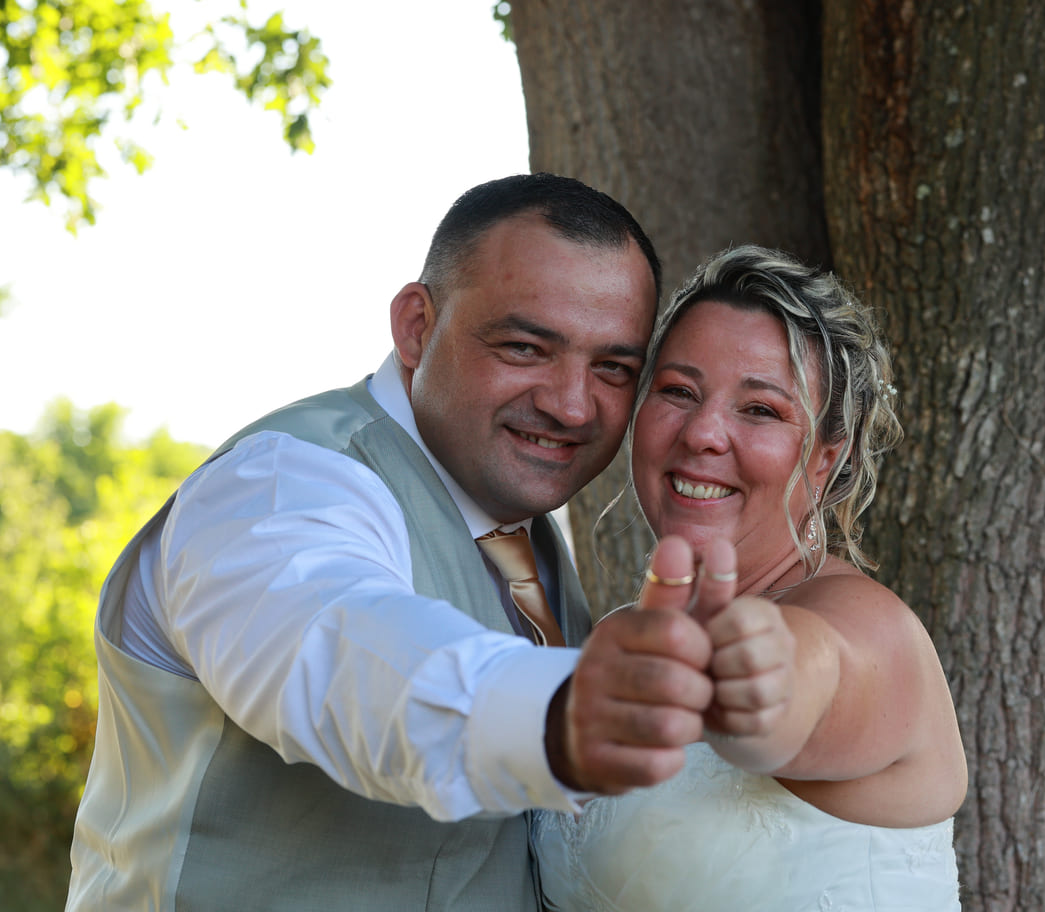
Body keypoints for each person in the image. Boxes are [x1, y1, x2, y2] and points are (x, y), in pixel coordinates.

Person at [65, 173, 720, 911]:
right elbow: (340, 657)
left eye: (613, 369)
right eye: (525, 347)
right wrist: (566, 714)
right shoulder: (280, 485)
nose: (572, 405)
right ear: (415, 326)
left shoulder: (524, 533)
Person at [532, 245, 968, 911]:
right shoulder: (621, 637)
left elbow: (812, 674)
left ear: (826, 458)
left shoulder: (871, 626)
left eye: (760, 409)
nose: (702, 433)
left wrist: (759, 677)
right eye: (678, 392)